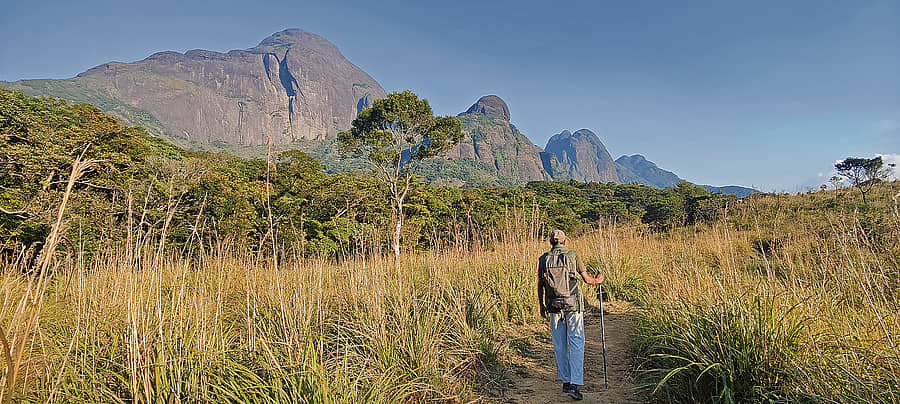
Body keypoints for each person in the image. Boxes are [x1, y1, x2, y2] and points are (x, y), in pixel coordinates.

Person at [537, 229, 603, 401]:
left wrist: (541, 306)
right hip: (573, 305)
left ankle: (565, 381)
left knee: (559, 345)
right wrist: (599, 279)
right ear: (565, 241)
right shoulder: (573, 255)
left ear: (551, 243)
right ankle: (574, 384)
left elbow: (540, 285)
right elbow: (588, 280)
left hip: (552, 306)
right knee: (576, 343)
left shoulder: (543, 259)